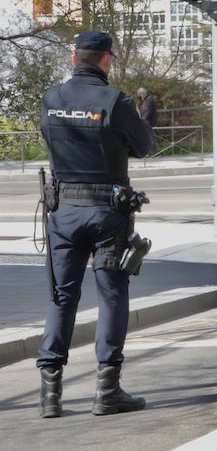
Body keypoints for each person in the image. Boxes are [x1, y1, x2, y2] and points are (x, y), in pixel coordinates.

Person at [35, 32, 156, 418]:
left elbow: (50, 141)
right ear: (106, 60)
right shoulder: (116, 101)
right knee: (112, 295)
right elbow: (144, 146)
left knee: (62, 297)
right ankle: (107, 391)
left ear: (74, 59)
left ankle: (49, 395)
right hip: (107, 216)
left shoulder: (51, 98)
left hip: (64, 214)